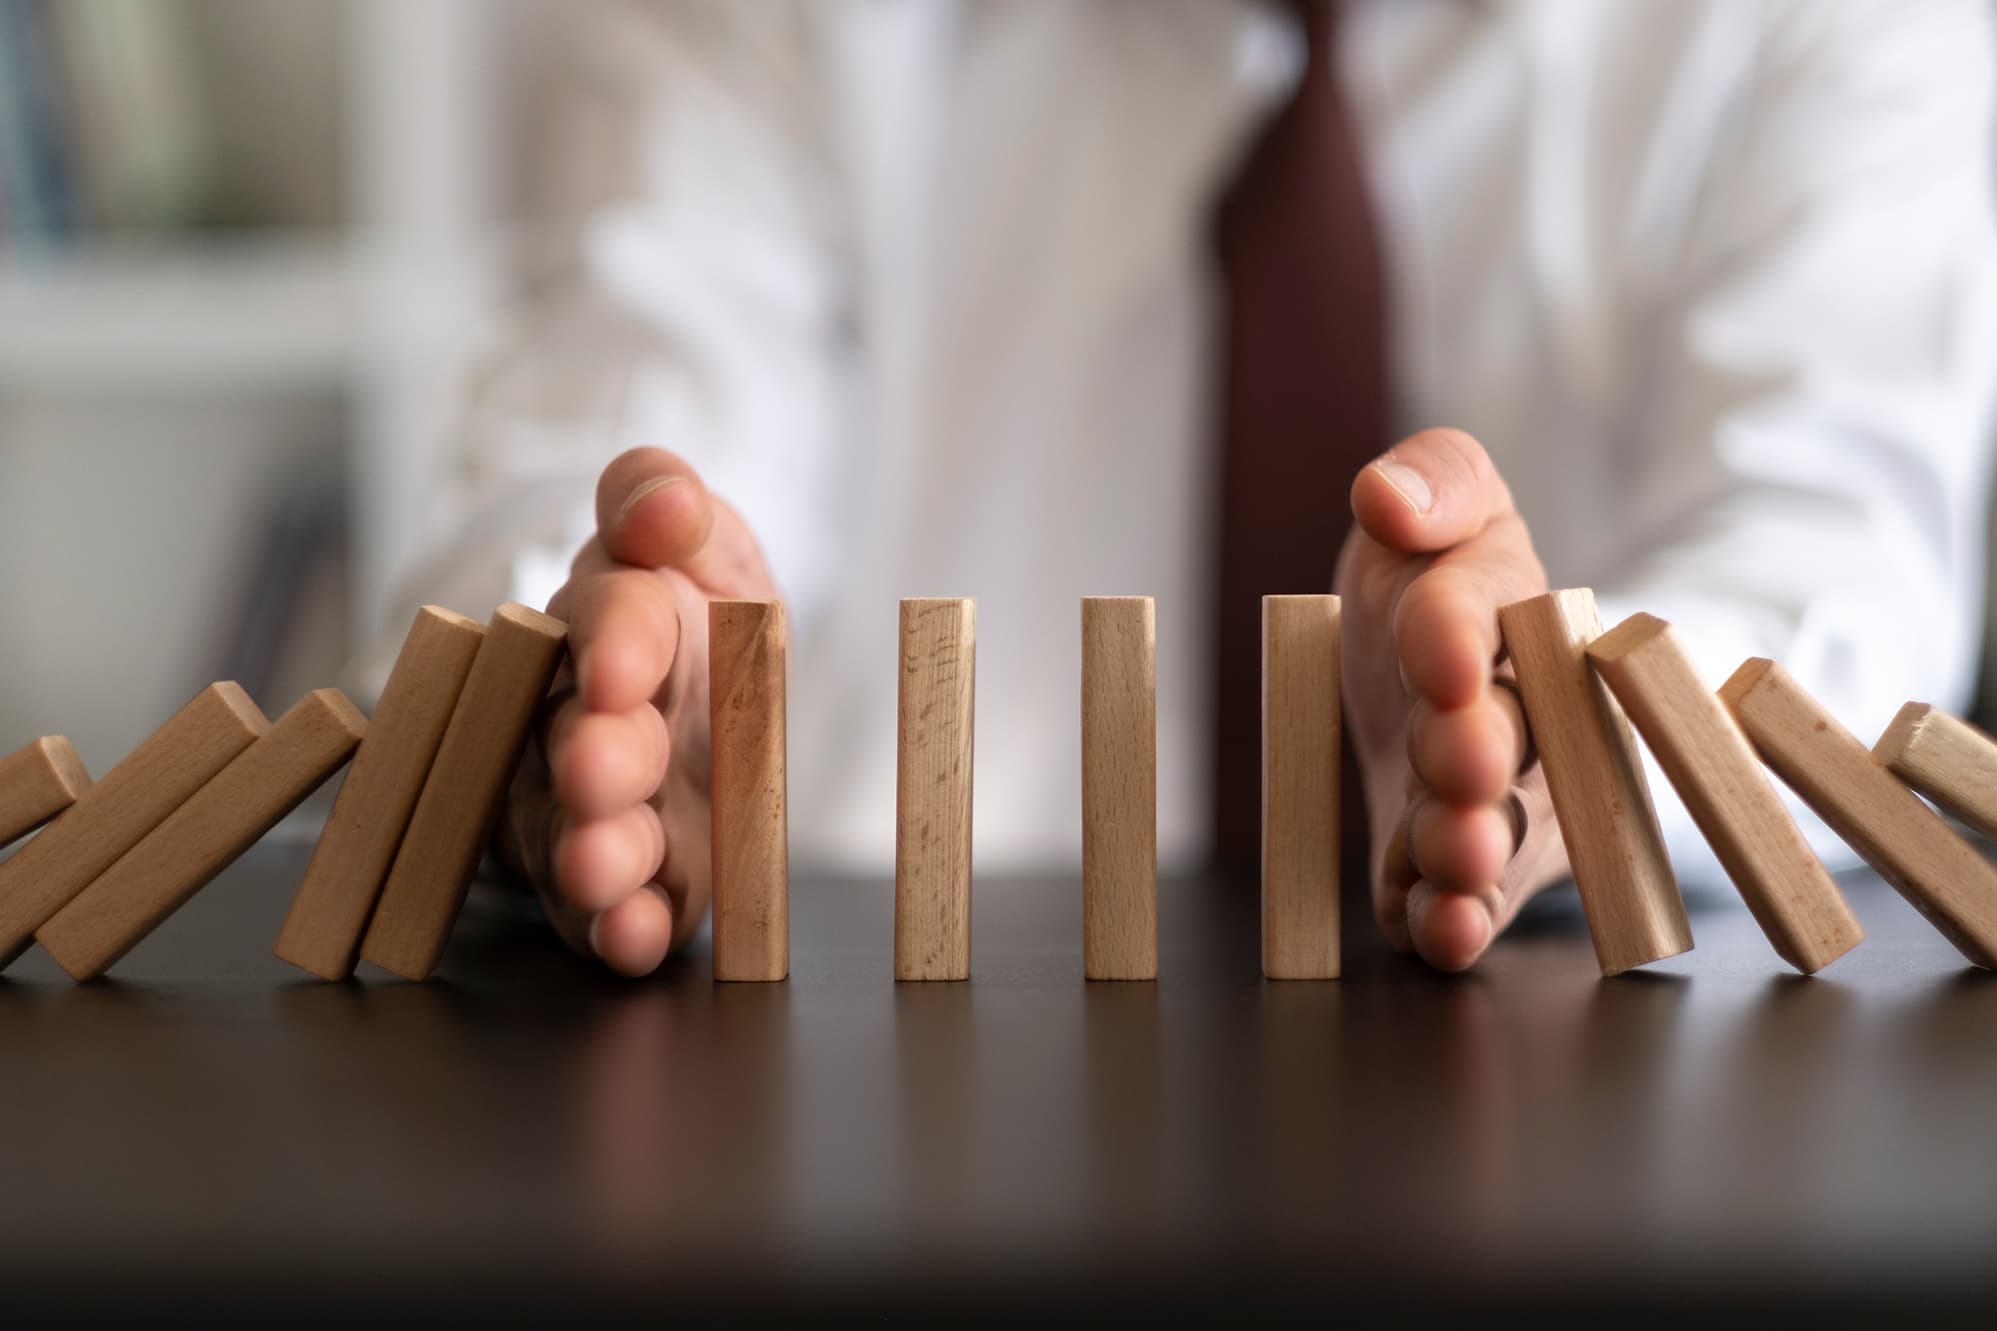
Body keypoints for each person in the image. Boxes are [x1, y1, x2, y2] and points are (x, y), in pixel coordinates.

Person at [383, 0, 1997, 978]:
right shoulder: (765, 31)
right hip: (847, 1128)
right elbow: (592, 447)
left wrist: (1554, 726)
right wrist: (596, 672)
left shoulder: (1836, 28)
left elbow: (1828, 571)